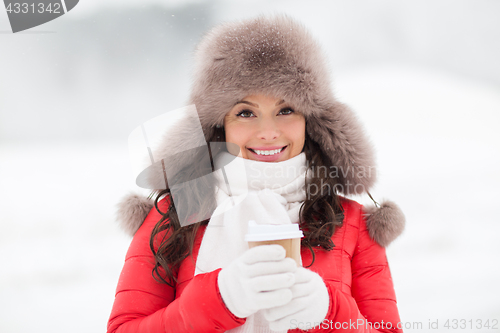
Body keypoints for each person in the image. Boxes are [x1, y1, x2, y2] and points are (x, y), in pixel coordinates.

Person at [107, 14, 406, 333]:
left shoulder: (354, 224)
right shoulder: (172, 216)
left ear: (311, 121)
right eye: (245, 112)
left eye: (286, 109)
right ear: (220, 126)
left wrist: (330, 313)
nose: (268, 132)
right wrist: (219, 300)